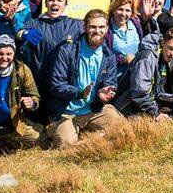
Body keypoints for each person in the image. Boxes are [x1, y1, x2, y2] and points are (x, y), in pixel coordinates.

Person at [42, 9, 127, 146]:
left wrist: (105, 93)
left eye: (101, 27)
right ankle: (60, 130)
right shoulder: (67, 51)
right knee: (67, 144)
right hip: (65, 111)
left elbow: (110, 82)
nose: (97, 31)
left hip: (93, 109)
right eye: (93, 27)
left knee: (122, 129)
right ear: (85, 27)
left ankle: (85, 137)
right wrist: (79, 93)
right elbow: (56, 85)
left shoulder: (108, 55)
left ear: (106, 29)